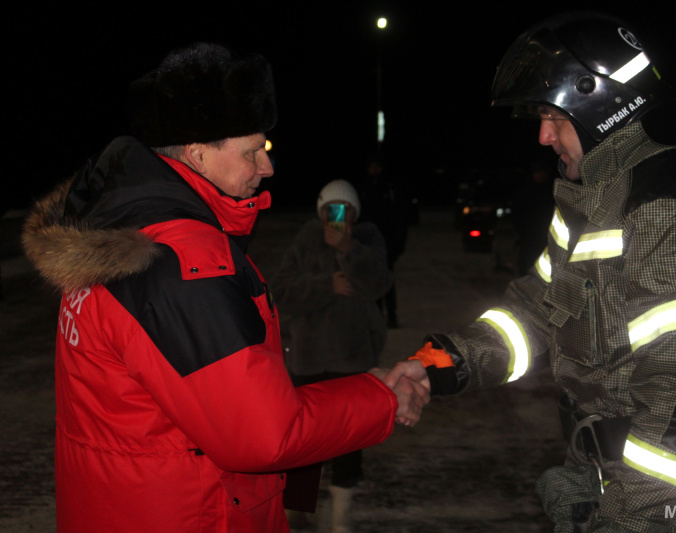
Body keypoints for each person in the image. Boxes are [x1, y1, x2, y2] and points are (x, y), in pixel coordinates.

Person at [387, 12, 676, 532]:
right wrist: (447, 361)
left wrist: (617, 521)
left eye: (552, 116)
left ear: (599, 104)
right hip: (632, 485)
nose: (542, 135)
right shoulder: (598, 193)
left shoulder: (670, 201)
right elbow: (541, 308)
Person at [21, 43, 428, 533]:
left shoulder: (116, 226)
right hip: (190, 514)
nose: (267, 167)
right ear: (197, 153)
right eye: (251, 151)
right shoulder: (181, 262)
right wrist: (381, 397)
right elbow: (262, 435)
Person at [270, 178, 392, 531]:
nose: (337, 218)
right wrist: (327, 286)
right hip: (308, 358)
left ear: (355, 213)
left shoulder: (367, 240)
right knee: (305, 439)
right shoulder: (306, 240)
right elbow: (280, 290)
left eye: (345, 211)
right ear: (321, 213)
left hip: (352, 357)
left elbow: (380, 283)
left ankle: (341, 517)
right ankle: (298, 509)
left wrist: (350, 249)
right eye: (331, 211)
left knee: (349, 439)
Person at [357, 158, 409, 328]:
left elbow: (398, 219)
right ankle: (377, 317)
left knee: (387, 281)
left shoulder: (388, 187)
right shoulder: (364, 187)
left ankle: (392, 317)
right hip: (369, 244)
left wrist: (397, 246)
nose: (373, 169)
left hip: (387, 245)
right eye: (370, 166)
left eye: (376, 166)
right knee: (372, 281)